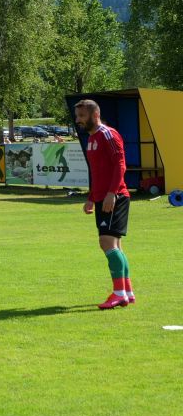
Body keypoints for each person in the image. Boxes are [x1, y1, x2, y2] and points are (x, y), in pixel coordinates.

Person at [74, 99, 135, 309]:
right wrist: (92, 197)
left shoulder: (107, 134)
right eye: (77, 116)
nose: (78, 120)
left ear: (95, 115)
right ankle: (127, 291)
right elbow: (98, 173)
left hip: (115, 197)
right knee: (115, 245)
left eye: (82, 116)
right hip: (102, 198)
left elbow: (120, 164)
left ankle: (119, 294)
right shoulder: (91, 139)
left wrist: (111, 193)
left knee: (107, 243)